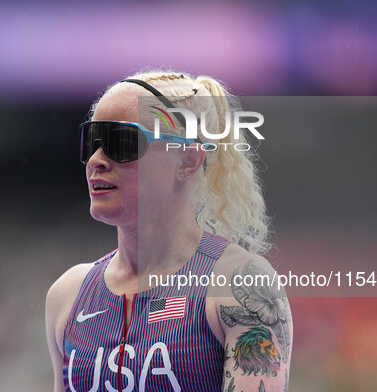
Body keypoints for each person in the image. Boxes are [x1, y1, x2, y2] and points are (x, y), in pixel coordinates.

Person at [45, 70, 292, 392]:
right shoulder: (68, 293)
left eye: (122, 143)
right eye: (92, 142)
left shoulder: (239, 285)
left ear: (186, 159)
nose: (96, 160)